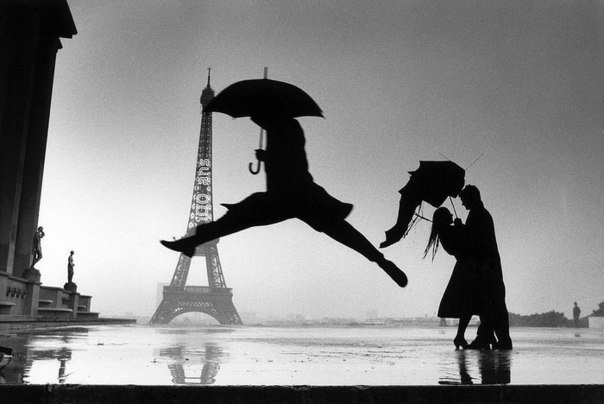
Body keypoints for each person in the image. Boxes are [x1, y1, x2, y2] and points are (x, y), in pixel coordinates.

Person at [161, 114, 408, 288]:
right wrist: (267, 156)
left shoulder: (285, 129)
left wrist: (268, 157)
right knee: (342, 232)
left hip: (292, 196)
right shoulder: (282, 128)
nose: (254, 118)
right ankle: (381, 261)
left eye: (258, 114)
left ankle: (192, 242)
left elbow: (293, 163)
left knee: (237, 218)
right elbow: (290, 159)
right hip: (298, 196)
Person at [458, 185, 512, 350]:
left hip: (486, 266)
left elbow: (473, 240)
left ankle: (491, 338)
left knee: (490, 302)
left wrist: (460, 229)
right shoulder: (481, 213)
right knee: (492, 302)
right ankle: (492, 338)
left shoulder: (477, 215)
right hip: (490, 264)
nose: (462, 204)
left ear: (471, 198)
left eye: (464, 200)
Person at [424, 207, 483, 349]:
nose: (452, 215)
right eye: (449, 214)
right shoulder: (448, 232)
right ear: (445, 218)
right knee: (472, 303)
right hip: (467, 270)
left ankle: (461, 336)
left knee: (469, 305)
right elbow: (465, 244)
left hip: (464, 269)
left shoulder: (445, 233)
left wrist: (459, 227)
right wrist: (460, 227)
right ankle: (463, 336)